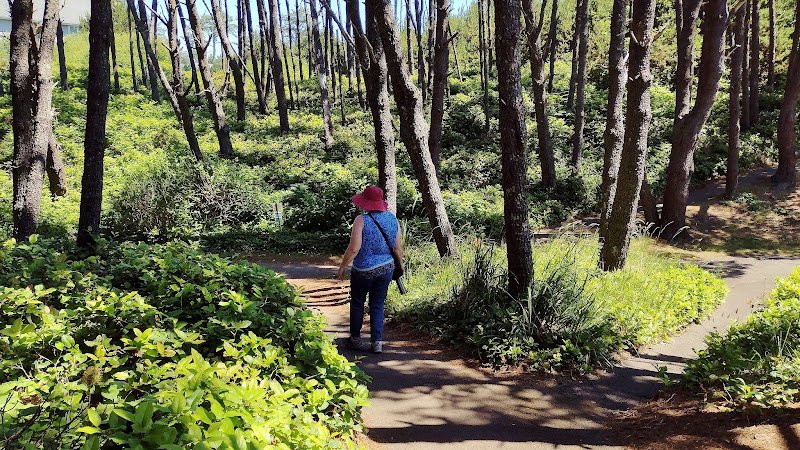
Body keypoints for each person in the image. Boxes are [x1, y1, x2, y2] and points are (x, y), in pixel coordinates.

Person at [337, 185, 403, 354]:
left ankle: (356, 339)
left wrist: (343, 265)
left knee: (358, 302)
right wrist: (400, 267)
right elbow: (397, 249)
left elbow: (354, 248)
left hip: (363, 270)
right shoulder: (392, 219)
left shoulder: (361, 220)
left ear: (365, 202)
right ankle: (377, 343)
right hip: (386, 268)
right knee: (378, 304)